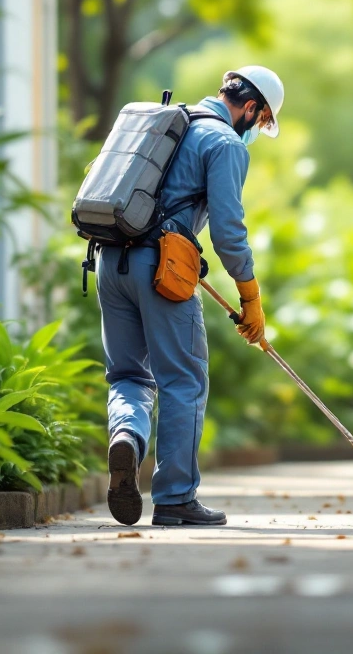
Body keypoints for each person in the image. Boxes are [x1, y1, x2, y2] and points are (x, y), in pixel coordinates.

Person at [96, 66, 283, 526]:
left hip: (108, 259)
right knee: (184, 381)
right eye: (259, 122)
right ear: (253, 107)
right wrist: (250, 296)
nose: (255, 131)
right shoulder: (223, 144)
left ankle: (127, 434)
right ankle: (176, 499)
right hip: (162, 269)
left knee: (128, 374)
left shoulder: (165, 123)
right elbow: (228, 231)